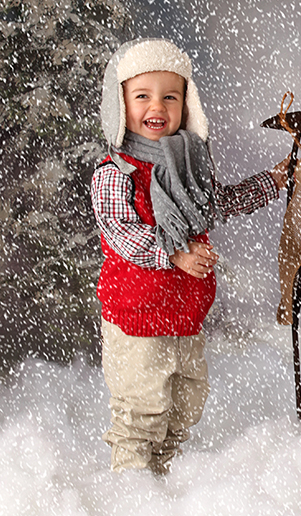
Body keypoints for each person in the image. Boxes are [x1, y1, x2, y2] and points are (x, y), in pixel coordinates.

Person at [92, 37, 288, 474]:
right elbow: (123, 233)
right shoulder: (115, 173)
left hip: (184, 318)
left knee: (181, 410)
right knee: (141, 413)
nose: (156, 106)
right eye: (142, 95)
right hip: (137, 319)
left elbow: (221, 202)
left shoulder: (188, 170)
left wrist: (274, 181)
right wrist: (176, 255)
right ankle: (132, 492)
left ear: (186, 104)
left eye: (170, 96)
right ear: (120, 104)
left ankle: (158, 487)